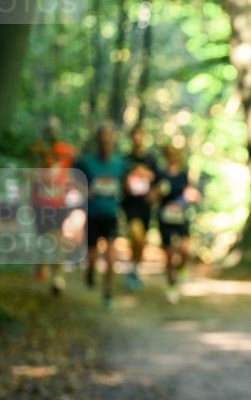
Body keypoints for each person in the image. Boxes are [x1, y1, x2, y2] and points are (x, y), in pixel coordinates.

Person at [75, 126, 126, 309]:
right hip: (92, 215)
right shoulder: (86, 162)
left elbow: (131, 182)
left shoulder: (121, 163)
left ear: (112, 141)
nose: (105, 143)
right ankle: (90, 271)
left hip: (111, 215)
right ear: (98, 141)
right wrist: (83, 190)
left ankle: (108, 293)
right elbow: (73, 178)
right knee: (93, 257)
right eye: (102, 140)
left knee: (111, 258)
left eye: (108, 139)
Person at [31, 120, 77, 295]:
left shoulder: (66, 150)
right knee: (43, 240)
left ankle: (58, 276)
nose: (52, 133)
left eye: (55, 130)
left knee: (57, 238)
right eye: (49, 130)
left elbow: (76, 164)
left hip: (59, 202)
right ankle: (41, 264)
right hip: (40, 202)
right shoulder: (36, 150)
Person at [155, 146, 199, 304]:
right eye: (169, 154)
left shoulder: (184, 175)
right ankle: (171, 286)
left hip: (181, 217)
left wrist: (191, 197)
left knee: (186, 250)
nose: (172, 157)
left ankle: (181, 270)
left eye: (175, 154)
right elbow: (151, 197)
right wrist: (158, 192)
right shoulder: (160, 174)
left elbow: (194, 195)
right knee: (168, 256)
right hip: (165, 219)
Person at [122, 124, 158, 291]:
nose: (137, 139)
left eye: (140, 135)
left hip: (145, 205)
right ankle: (133, 269)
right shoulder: (126, 159)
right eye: (135, 135)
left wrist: (154, 194)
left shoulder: (151, 159)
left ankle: (134, 269)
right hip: (131, 205)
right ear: (131, 138)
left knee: (142, 240)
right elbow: (120, 179)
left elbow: (160, 181)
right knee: (136, 235)